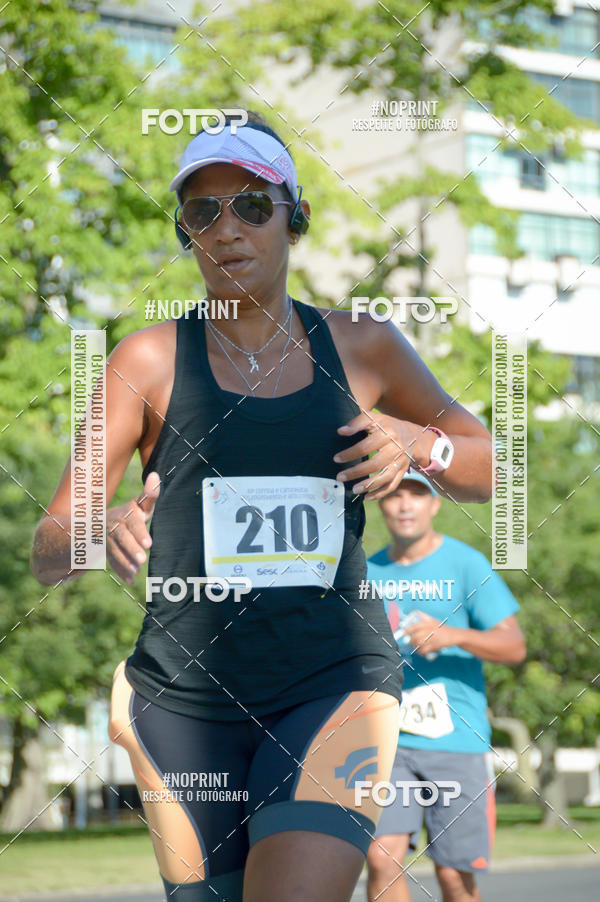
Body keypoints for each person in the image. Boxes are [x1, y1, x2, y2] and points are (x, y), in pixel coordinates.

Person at [31, 110, 493, 902]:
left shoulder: (363, 345)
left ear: (294, 217)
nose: (227, 229)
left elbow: (488, 469)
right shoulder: (147, 357)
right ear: (185, 232)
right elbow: (47, 544)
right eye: (203, 211)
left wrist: (420, 445)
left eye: (252, 205)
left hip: (335, 680)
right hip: (182, 699)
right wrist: (93, 530)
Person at [365, 471, 526, 902]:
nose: (404, 504)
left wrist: (454, 635)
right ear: (380, 503)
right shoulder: (366, 571)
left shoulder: (466, 563)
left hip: (457, 741)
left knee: (453, 877)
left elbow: (513, 646)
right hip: (386, 741)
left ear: (435, 504)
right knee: (382, 858)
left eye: (416, 494)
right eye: (394, 494)